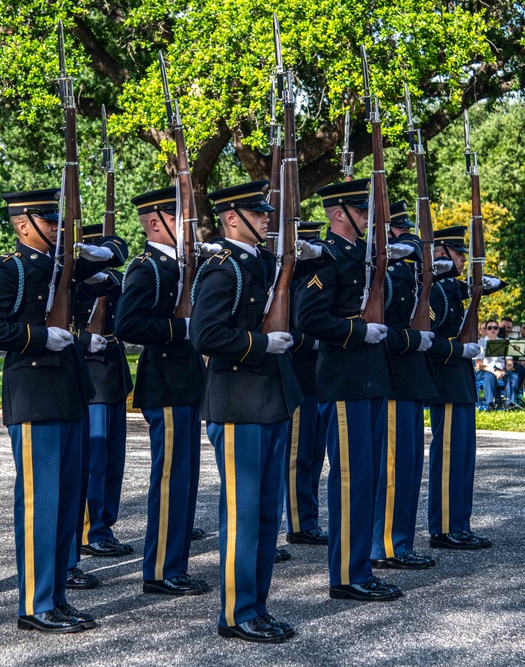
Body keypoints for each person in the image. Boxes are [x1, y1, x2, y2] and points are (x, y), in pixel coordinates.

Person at [0, 189, 125, 634]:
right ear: (23, 225)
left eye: (59, 220)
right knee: (42, 504)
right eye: (50, 222)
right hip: (35, 396)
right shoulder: (11, 269)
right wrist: (36, 337)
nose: (58, 228)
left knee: (66, 504)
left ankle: (56, 597)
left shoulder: (62, 265)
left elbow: (117, 253)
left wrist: (97, 249)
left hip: (70, 393)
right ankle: (35, 604)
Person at [191, 180, 302, 643]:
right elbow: (205, 335)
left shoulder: (258, 263)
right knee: (242, 514)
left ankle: (257, 605)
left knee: (264, 515)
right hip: (238, 403)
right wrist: (260, 344)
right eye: (257, 214)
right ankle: (236, 614)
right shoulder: (224, 269)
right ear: (231, 218)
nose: (266, 219)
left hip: (270, 400)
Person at [294, 178, 401, 601]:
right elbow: (308, 317)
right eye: (361, 211)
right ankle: (346, 574)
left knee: (369, 475)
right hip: (342, 378)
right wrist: (358, 333)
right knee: (350, 479)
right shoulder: (327, 257)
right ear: (339, 213)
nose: (368, 218)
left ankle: (362, 567)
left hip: (370, 376)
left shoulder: (364, 256)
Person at [113, 187, 211, 598]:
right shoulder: (148, 267)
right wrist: (180, 329)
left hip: (187, 383)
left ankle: (176, 565)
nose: (187, 226)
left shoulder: (186, 265)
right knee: (171, 481)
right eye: (178, 218)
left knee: (185, 481)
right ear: (156, 223)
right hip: (166, 383)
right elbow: (127, 324)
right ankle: (160, 571)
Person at [425, 226, 505, 550]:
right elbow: (428, 341)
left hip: (460, 384)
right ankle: (444, 528)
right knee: (447, 459)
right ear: (442, 251)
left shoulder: (451, 289)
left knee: (462, 460)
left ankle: (460, 523)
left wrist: (484, 282)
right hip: (445, 383)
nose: (462, 260)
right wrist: (459, 351)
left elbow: (486, 287)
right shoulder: (436, 291)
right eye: (459, 253)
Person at [370, 200, 437, 570]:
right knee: (393, 470)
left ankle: (402, 541)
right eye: (400, 230)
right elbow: (383, 329)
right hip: (394, 378)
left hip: (410, 380)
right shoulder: (385, 274)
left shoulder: (407, 271)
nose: (407, 237)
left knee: (410, 468)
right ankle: (386, 544)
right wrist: (413, 341)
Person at [74, 224, 134, 560]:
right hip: (90, 378)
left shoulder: (110, 281)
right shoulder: (74, 283)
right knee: (94, 461)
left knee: (113, 462)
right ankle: (88, 530)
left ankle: (104, 526)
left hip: (112, 375)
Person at [283, 222, 329, 549]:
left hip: (319, 378)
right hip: (299, 375)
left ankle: (308, 516)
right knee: (299, 455)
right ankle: (300, 522)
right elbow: (286, 332)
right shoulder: (291, 284)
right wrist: (313, 341)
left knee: (315, 453)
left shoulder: (320, 282)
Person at [476, 318, 521, 408]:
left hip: (502, 370)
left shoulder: (504, 343)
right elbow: (479, 364)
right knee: (489, 376)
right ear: (486, 330)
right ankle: (490, 404)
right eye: (489, 328)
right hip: (485, 371)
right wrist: (494, 371)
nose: (492, 329)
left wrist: (504, 370)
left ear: (498, 330)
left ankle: (509, 404)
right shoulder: (480, 343)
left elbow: (509, 362)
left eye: (495, 327)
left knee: (514, 377)